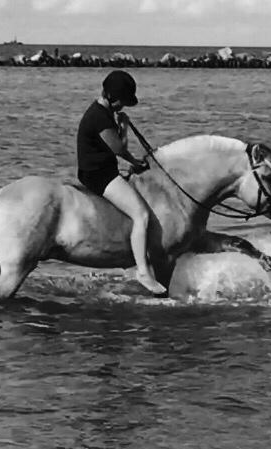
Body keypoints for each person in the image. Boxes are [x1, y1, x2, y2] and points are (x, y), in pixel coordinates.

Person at [76, 70, 166, 294]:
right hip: (99, 175)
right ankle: (143, 273)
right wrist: (124, 127)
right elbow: (118, 148)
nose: (122, 106)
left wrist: (135, 162)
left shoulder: (104, 112)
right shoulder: (98, 117)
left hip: (104, 169)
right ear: (108, 94)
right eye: (121, 101)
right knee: (141, 215)